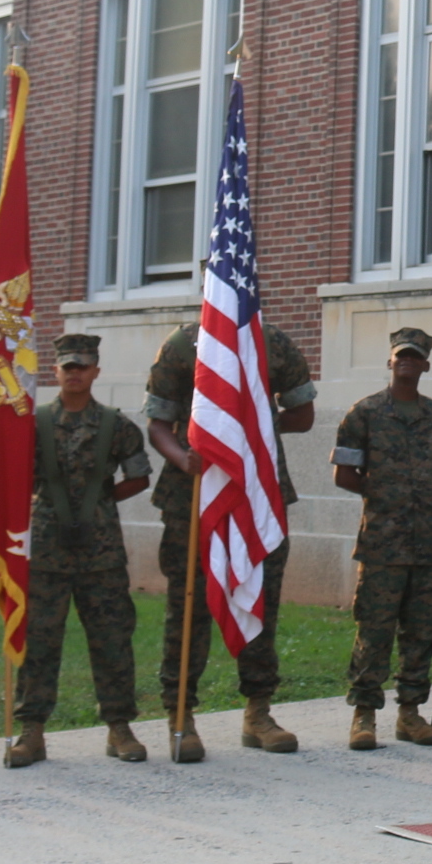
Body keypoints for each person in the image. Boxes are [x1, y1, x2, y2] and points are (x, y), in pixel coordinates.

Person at [143, 310, 317, 757]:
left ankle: (258, 712)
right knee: (188, 605)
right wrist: (184, 458)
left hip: (258, 495)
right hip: (192, 495)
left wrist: (253, 431)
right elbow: (157, 424)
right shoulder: (181, 345)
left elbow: (303, 412)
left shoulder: (273, 343)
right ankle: (180, 714)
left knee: (261, 598)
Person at [6, 333, 151, 768]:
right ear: (56, 371)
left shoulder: (116, 424)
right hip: (46, 550)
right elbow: (14, 478)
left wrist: (99, 501)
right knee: (39, 640)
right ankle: (32, 730)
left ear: (96, 372)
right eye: (68, 366)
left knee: (111, 640)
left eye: (82, 366)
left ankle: (119, 726)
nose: (75, 373)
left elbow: (139, 476)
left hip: (101, 551)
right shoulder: (33, 424)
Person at [331, 327, 432, 749]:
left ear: (425, 365)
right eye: (400, 355)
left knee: (422, 632)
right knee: (375, 630)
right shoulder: (364, 414)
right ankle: (363, 716)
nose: (406, 361)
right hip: (383, 545)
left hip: (426, 546)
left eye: (414, 356)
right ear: (390, 362)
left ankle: (410, 713)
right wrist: (385, 490)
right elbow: (343, 474)